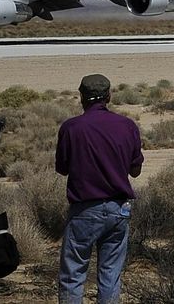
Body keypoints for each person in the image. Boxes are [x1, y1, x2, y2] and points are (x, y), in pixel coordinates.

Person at [56, 74, 144, 304]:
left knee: (72, 275)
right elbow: (135, 171)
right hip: (118, 209)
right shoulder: (127, 126)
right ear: (109, 96)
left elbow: (62, 168)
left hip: (84, 209)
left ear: (81, 97)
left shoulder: (71, 128)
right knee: (110, 275)